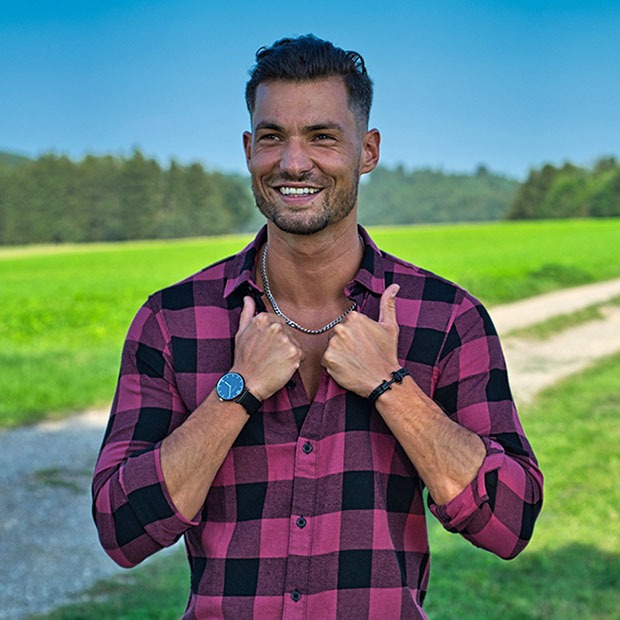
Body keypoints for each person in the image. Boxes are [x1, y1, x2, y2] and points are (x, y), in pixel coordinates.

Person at [92, 34, 543, 619]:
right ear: (249, 148)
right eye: (273, 137)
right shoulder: (173, 320)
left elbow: (510, 523)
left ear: (368, 150)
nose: (294, 162)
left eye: (323, 137)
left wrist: (392, 387)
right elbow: (121, 529)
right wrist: (236, 391)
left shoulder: (447, 318)